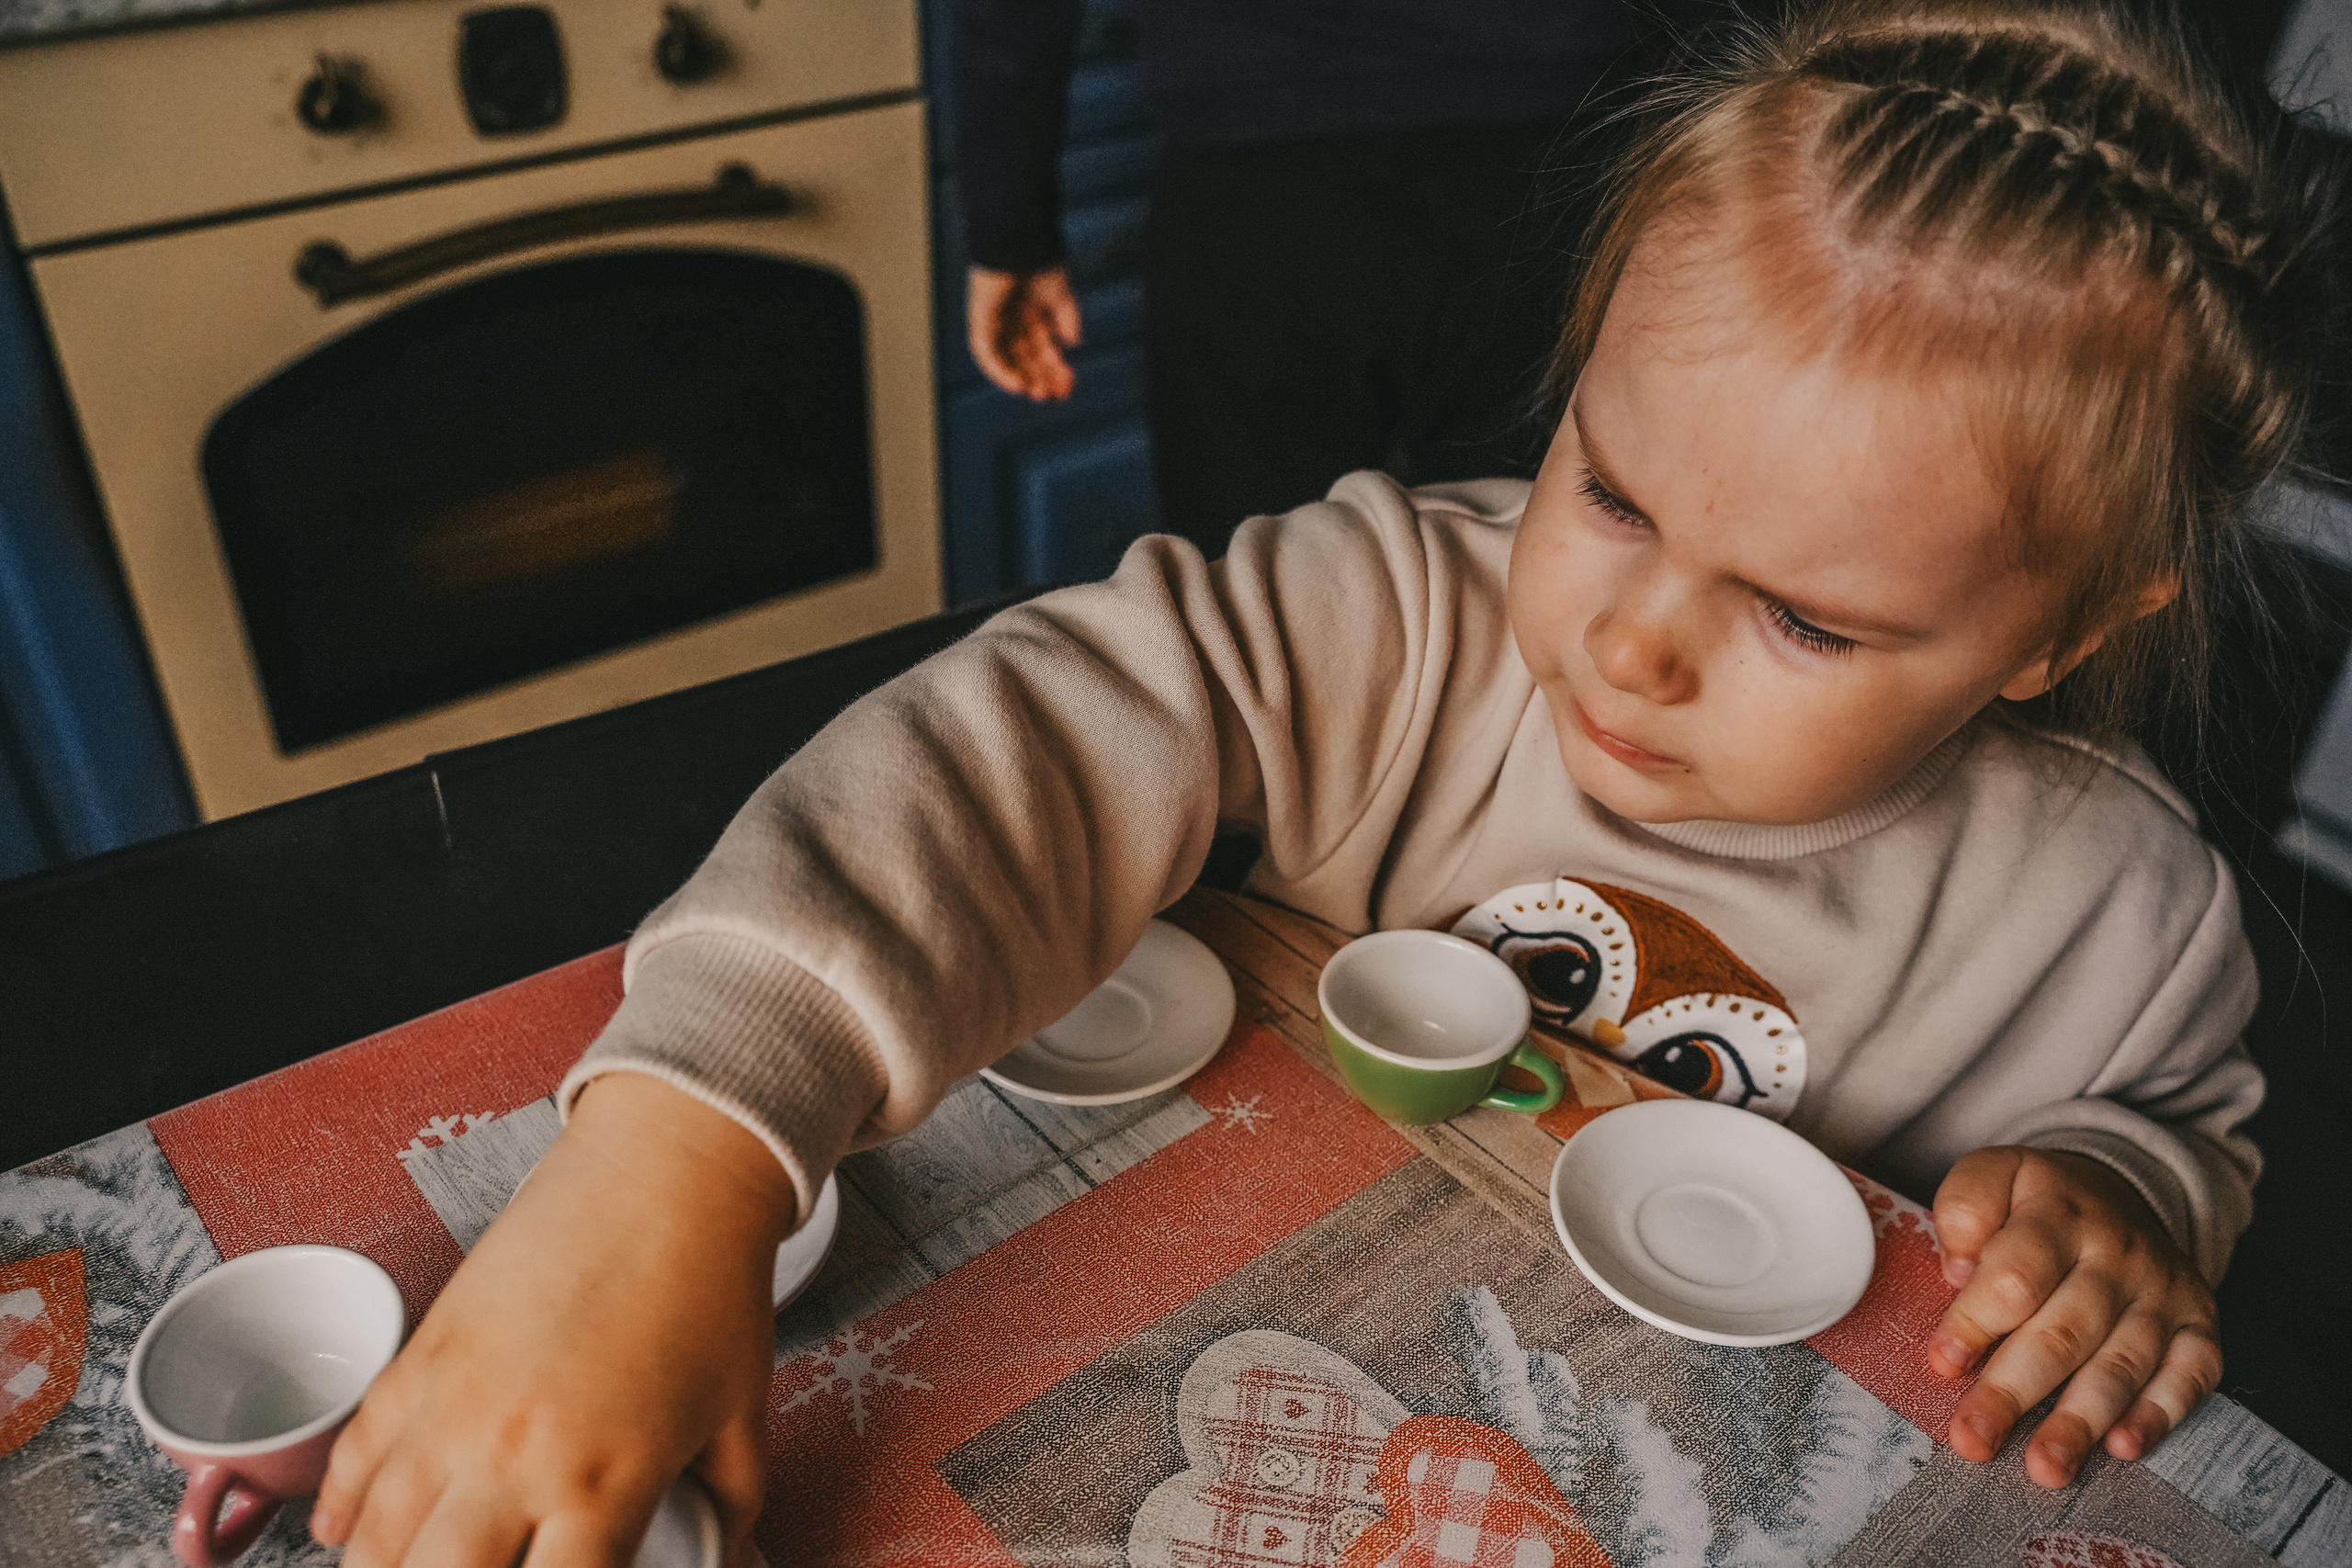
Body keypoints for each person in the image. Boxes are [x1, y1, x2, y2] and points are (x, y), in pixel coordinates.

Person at [310, 1, 2340, 1562]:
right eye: (1608, 488)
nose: (1629, 642)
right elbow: (1030, 733)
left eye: (1803, 618)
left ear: (2056, 630)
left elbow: (2160, 1117)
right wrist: (680, 1151)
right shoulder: (1399, 608)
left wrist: (2115, 1202)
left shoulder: (2110, 904)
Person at [956, 0, 1653, 553]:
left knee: (1255, 605)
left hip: (1254, 181)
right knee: (1529, 571)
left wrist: (1010, 231)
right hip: (1548, 162)